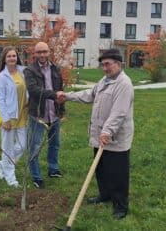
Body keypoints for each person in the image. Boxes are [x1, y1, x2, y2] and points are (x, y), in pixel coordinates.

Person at [57, 49, 134, 219]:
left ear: (118, 64)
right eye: (103, 65)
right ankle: (105, 195)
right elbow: (88, 95)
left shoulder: (124, 84)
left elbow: (119, 113)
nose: (105, 68)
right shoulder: (105, 81)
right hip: (100, 135)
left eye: (108, 64)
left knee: (117, 173)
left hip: (115, 137)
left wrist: (107, 131)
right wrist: (68, 96)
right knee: (101, 169)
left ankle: (121, 205)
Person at [23, 41, 65, 189]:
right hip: (38, 115)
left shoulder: (56, 68)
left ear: (49, 52)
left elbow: (60, 90)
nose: (42, 55)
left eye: (45, 51)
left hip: (54, 114)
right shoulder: (29, 70)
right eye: (39, 52)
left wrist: (61, 111)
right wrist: (54, 95)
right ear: (35, 54)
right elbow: (33, 90)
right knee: (34, 146)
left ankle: (53, 169)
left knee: (55, 144)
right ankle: (36, 176)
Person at [0, 46, 28, 188]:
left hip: (22, 114)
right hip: (9, 117)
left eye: (14, 56)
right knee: (7, 148)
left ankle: (1, 164)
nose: (12, 58)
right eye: (9, 56)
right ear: (4, 59)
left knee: (22, 145)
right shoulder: (2, 77)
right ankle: (11, 178)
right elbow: (0, 100)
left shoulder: (22, 71)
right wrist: (5, 119)